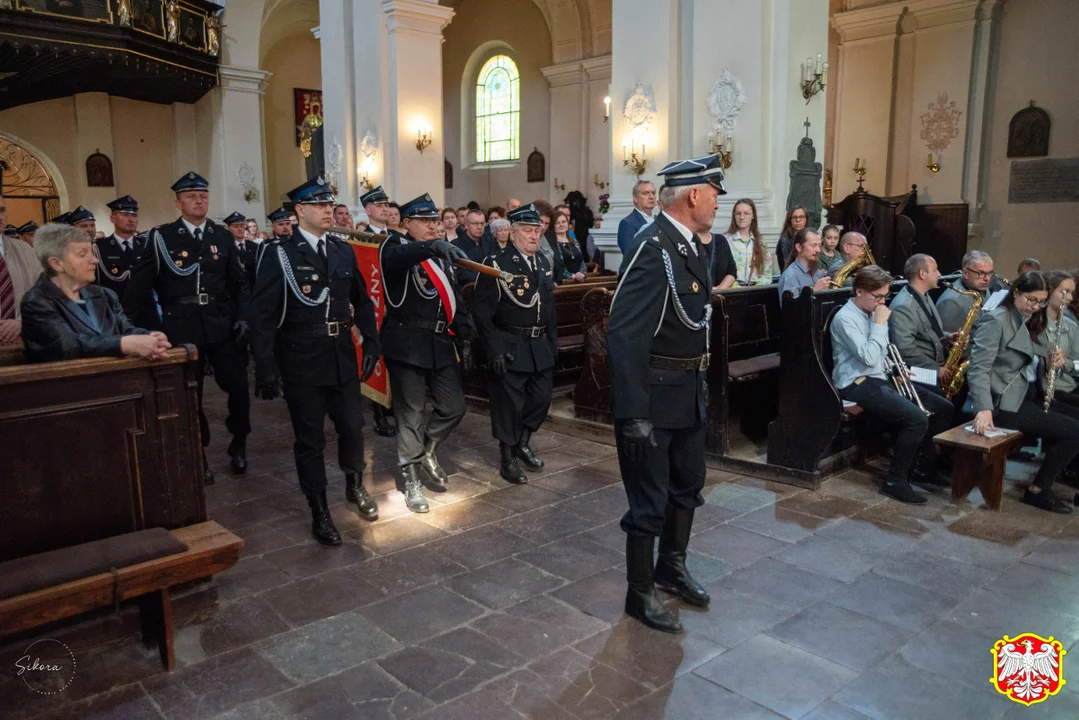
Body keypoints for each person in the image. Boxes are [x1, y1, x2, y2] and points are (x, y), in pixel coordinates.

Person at [608, 153, 725, 634]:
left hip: (686, 391)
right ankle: (639, 593)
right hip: (654, 400)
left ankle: (670, 568)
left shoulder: (693, 246)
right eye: (715, 193)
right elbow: (625, 334)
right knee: (649, 500)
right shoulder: (652, 246)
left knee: (687, 485)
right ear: (694, 195)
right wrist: (633, 412)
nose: (718, 202)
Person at [251, 177, 382, 545]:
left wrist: (371, 341)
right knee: (310, 439)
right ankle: (319, 508)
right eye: (320, 205)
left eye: (330, 204)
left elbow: (363, 299)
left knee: (353, 428)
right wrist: (265, 368)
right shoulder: (279, 254)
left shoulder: (341, 251)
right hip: (301, 360)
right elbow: (261, 316)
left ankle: (355, 486)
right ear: (300, 211)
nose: (329, 210)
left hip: (340, 354)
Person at [124, 172, 252, 484]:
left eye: (203, 196)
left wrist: (243, 316)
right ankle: (199, 449)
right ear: (178, 202)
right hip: (181, 326)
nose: (199, 200)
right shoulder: (162, 237)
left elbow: (239, 283)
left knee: (238, 387)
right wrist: (134, 327)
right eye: (192, 196)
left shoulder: (221, 237)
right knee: (188, 394)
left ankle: (240, 441)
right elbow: (140, 287)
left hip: (222, 323)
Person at [379, 192, 475, 513]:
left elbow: (454, 300)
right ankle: (412, 482)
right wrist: (433, 246)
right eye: (426, 221)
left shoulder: (438, 256)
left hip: (439, 343)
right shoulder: (393, 249)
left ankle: (428, 449)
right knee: (411, 414)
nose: (434, 226)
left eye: (436, 221)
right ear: (407, 223)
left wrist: (465, 336)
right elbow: (397, 261)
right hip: (406, 343)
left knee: (454, 407)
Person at [831, 265, 954, 503]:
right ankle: (895, 480)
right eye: (877, 296)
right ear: (859, 291)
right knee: (916, 418)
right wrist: (879, 324)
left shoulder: (873, 312)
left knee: (943, 407)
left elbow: (884, 353)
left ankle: (924, 468)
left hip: (880, 377)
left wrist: (898, 371)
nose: (881, 302)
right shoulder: (845, 318)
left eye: (884, 296)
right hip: (855, 383)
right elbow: (868, 356)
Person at [968, 272, 1079, 513]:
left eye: (1040, 301)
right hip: (1004, 402)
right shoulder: (996, 320)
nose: (1035, 306)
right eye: (1031, 300)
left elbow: (1035, 360)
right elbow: (979, 369)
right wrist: (983, 409)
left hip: (1029, 394)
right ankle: (1038, 490)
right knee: (1075, 433)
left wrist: (1054, 362)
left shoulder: (1028, 318)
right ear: (1016, 292)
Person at [472, 204, 557, 484]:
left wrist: (552, 345)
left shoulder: (542, 263)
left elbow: (548, 308)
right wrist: (494, 349)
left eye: (538, 231)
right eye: (528, 231)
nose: (535, 236)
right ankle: (507, 456)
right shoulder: (496, 265)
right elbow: (482, 314)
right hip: (510, 344)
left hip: (538, 345)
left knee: (541, 400)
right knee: (509, 406)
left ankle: (522, 442)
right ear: (513, 232)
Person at [20, 223, 171, 363]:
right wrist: (123, 344)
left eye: (91, 253)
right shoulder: (37, 301)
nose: (95, 260)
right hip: (65, 386)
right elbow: (66, 345)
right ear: (57, 263)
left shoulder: (105, 295)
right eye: (82, 254)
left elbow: (125, 329)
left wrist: (149, 336)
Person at [888, 253, 955, 396]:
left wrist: (947, 337)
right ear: (922, 274)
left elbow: (927, 330)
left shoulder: (924, 295)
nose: (939, 274)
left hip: (933, 367)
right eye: (935, 270)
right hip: (919, 374)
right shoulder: (903, 306)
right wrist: (935, 369)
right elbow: (905, 350)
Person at [0, 194, 45, 346]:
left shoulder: (25, 250)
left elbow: (45, 293)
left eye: (2, 210)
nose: (1, 217)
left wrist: (22, 322)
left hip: (20, 341)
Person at [1032, 270, 1078, 410]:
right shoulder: (1033, 323)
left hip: (1068, 386)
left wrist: (1064, 363)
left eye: (1072, 292)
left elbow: (1076, 361)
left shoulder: (1071, 325)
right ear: (1049, 293)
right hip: (1045, 392)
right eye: (1065, 292)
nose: (1069, 298)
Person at [937, 250, 994, 333]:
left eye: (990, 273)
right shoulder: (951, 302)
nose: (987, 279)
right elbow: (946, 341)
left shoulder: (981, 286)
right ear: (965, 273)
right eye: (981, 273)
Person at [723, 198, 771, 286]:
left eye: (746, 213)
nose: (741, 217)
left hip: (755, 292)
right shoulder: (725, 241)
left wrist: (757, 288)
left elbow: (767, 272)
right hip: (731, 291)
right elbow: (721, 271)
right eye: (738, 213)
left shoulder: (760, 242)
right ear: (734, 216)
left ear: (753, 216)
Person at [776, 229, 831, 305]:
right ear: (799, 247)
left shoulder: (818, 273)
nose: (818, 250)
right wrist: (814, 292)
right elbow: (791, 311)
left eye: (819, 245)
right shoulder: (790, 276)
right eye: (813, 245)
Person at [617, 180, 656, 254]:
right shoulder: (627, 223)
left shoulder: (659, 220)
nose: (651, 197)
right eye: (645, 193)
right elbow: (629, 254)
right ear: (635, 198)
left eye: (653, 193)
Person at [452, 208, 490, 284]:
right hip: (467, 289)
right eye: (475, 223)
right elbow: (461, 273)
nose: (479, 227)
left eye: (482, 223)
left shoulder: (489, 242)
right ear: (466, 225)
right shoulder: (455, 246)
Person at [224, 211, 258, 289]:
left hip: (253, 289)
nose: (240, 229)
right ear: (229, 228)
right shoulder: (226, 247)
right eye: (236, 226)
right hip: (234, 290)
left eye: (242, 226)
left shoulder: (254, 246)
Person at [553, 212, 585, 283]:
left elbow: (582, 262)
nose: (561, 225)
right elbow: (556, 266)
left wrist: (581, 273)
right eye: (557, 223)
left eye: (563, 222)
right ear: (553, 226)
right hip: (562, 282)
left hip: (579, 281)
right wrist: (571, 275)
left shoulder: (574, 241)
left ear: (567, 223)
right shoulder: (552, 244)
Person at [774, 206, 808, 272]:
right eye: (794, 217)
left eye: (801, 217)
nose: (798, 220)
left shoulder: (809, 236)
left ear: (806, 219)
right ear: (790, 220)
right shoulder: (784, 240)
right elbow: (786, 265)